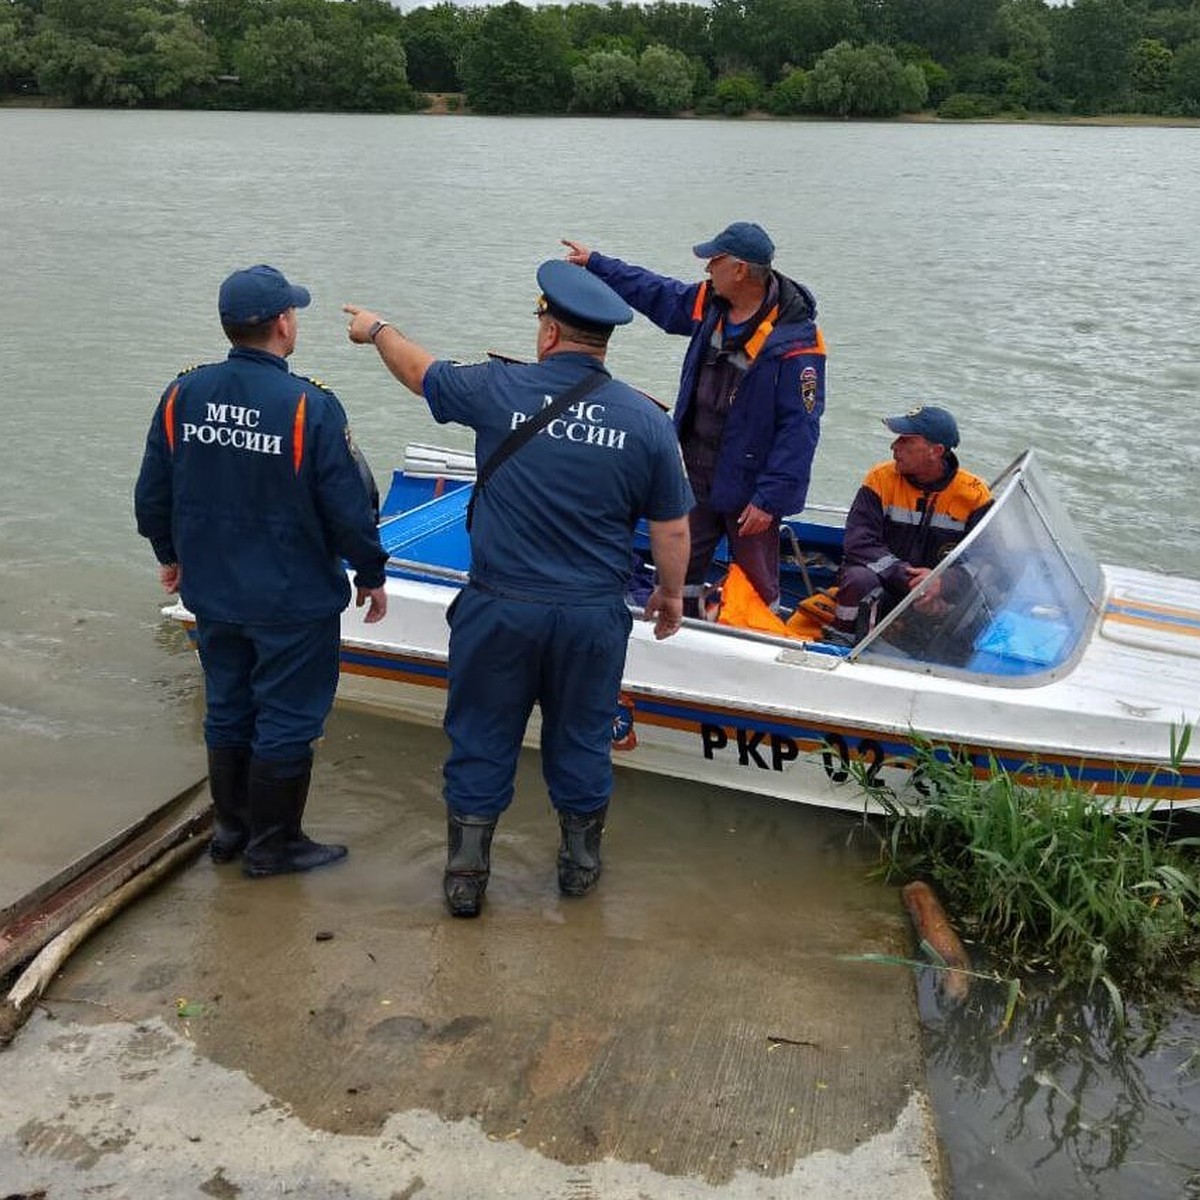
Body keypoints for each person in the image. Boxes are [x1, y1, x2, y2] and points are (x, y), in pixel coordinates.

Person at [343, 259, 693, 918]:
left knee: (481, 733)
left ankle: (467, 876)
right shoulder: (646, 422)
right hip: (590, 615)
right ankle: (579, 869)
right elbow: (672, 528)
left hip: (501, 607)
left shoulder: (498, 389)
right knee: (584, 737)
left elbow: (420, 372)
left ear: (550, 332)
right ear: (602, 340)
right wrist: (670, 596)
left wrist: (377, 328)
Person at [135, 264, 388, 878]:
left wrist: (168, 554)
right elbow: (351, 507)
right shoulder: (310, 407)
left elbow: (152, 493)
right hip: (291, 600)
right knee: (289, 716)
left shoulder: (182, 394)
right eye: (294, 313)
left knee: (226, 705)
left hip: (214, 593)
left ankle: (230, 830)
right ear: (282, 324)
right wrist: (370, 572)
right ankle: (273, 846)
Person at [562, 223, 825, 616]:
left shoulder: (797, 343)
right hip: (694, 468)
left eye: (713, 261)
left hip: (751, 485)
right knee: (677, 568)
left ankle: (756, 644)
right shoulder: (711, 304)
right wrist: (598, 264)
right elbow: (657, 293)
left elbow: (800, 427)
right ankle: (672, 631)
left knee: (756, 586)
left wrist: (769, 499)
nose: (706, 270)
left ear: (738, 270)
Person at [829, 405, 992, 644]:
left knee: (980, 602)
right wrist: (910, 579)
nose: (894, 447)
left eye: (905, 441)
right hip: (887, 583)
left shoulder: (975, 495)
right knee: (858, 578)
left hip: (936, 597)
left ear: (935, 451)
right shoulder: (880, 479)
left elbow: (987, 559)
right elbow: (859, 544)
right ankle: (841, 639)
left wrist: (942, 583)